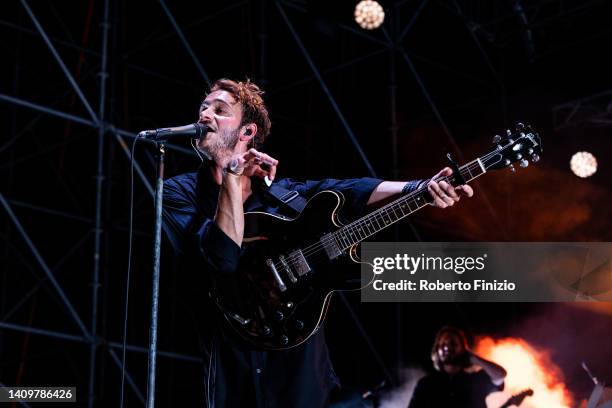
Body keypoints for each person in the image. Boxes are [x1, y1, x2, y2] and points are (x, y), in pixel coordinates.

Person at [162, 78, 474, 408]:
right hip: (234, 378)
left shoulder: (284, 198)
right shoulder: (178, 193)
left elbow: (352, 190)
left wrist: (421, 187)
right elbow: (223, 256)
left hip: (303, 381)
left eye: (219, 110)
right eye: (204, 107)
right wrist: (232, 176)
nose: (205, 114)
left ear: (247, 132)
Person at [408, 326, 507, 408]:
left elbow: (500, 375)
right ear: (437, 350)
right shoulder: (426, 385)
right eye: (442, 345)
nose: (447, 348)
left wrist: (473, 358)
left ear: (463, 349)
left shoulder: (475, 380)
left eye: (453, 344)